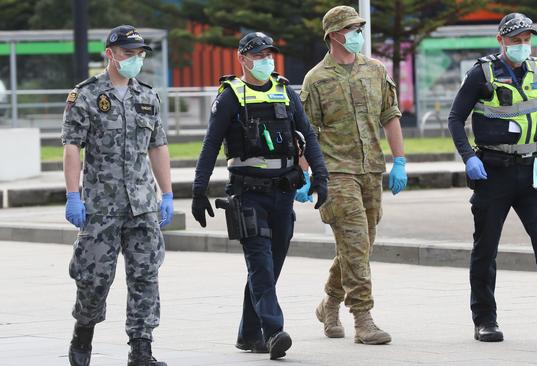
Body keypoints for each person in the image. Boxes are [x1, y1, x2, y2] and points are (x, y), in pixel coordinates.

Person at [447, 13, 537, 344]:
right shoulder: (481, 73)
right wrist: (468, 157)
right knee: (486, 249)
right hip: (493, 172)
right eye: (515, 40)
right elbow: (456, 118)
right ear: (501, 41)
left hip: (534, 172)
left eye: (527, 39)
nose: (522, 46)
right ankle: (485, 320)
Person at [191, 32, 329, 360]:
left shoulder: (284, 92)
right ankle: (274, 331)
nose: (266, 60)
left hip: (283, 192)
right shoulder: (230, 97)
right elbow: (211, 144)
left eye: (269, 54)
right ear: (242, 59)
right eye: (259, 55)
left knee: (271, 265)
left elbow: (307, 134)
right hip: (247, 195)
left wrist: (320, 177)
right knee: (261, 265)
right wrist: (199, 190)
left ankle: (248, 333)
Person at [62, 25, 172, 366]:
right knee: (94, 277)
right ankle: (84, 331)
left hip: (141, 204)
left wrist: (167, 193)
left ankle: (141, 348)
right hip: (100, 205)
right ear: (110, 54)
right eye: (128, 54)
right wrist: (73, 195)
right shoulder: (87, 95)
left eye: (139, 54)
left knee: (145, 275)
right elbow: (71, 147)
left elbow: (158, 146)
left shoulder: (147, 96)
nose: (135, 60)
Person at [300, 5, 408, 345]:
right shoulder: (316, 79)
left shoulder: (375, 70)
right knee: (356, 243)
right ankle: (363, 318)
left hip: (371, 170)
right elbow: (306, 133)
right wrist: (306, 175)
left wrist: (400, 161)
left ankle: (329, 303)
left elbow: (390, 116)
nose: (358, 34)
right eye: (352, 29)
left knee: (359, 245)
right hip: (335, 173)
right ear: (334, 34)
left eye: (359, 28)